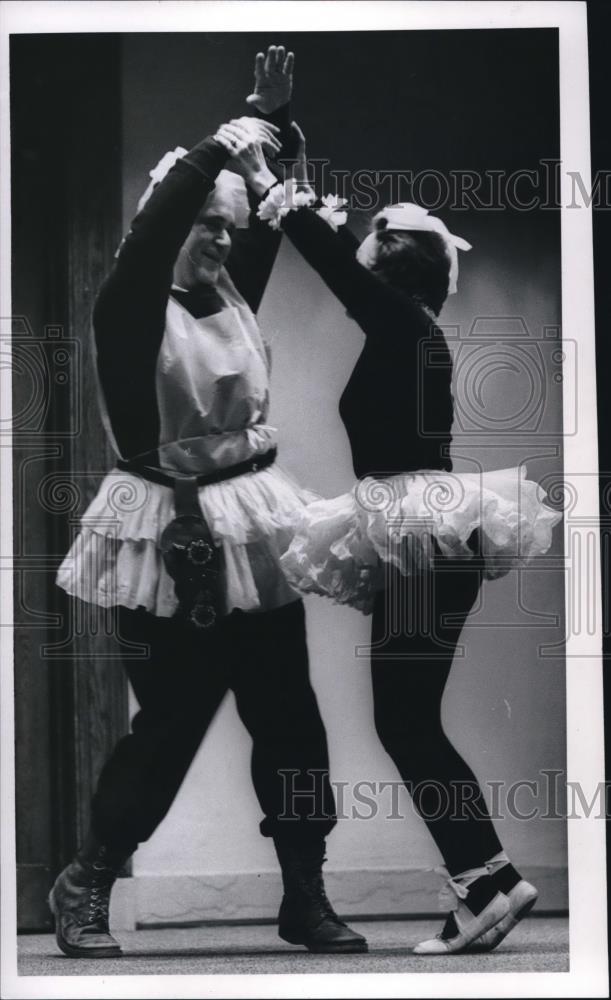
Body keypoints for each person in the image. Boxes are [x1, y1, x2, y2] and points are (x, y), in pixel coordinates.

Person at [215, 111, 561, 955]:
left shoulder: (401, 323)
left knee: (405, 722)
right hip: (427, 536)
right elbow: (339, 254)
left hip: (421, 536)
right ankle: (484, 881)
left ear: (388, 268)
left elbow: (333, 263)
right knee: (409, 719)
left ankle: (486, 880)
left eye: (368, 248)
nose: (356, 253)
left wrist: (271, 184)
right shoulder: (407, 329)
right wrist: (290, 181)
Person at [50, 46, 366, 958]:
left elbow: (265, 213)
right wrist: (223, 134)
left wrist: (272, 129)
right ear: (168, 221)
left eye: (228, 228)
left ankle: (303, 892)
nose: (223, 241)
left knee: (290, 715)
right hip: (170, 532)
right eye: (206, 225)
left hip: (251, 523)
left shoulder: (230, 290)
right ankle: (89, 881)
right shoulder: (128, 305)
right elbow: (155, 238)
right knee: (174, 718)